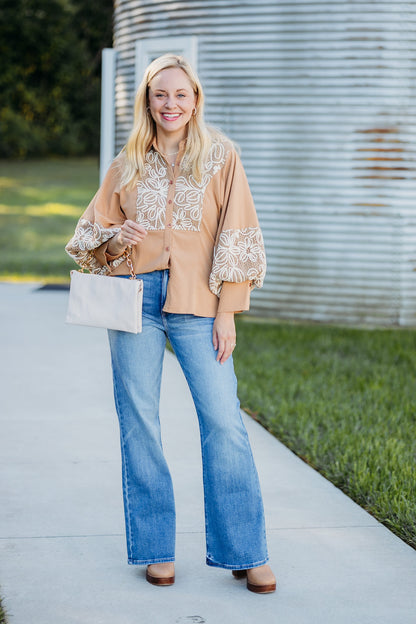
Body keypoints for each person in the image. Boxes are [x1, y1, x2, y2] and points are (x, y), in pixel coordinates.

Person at [65, 54, 276, 594]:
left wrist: (228, 309)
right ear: (147, 101)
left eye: (181, 95)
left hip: (199, 303)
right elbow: (88, 243)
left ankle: (246, 551)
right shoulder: (127, 162)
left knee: (224, 420)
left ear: (196, 99)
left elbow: (240, 233)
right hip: (136, 299)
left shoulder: (222, 156)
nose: (171, 105)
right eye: (161, 95)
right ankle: (156, 548)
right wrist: (119, 238)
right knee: (140, 421)